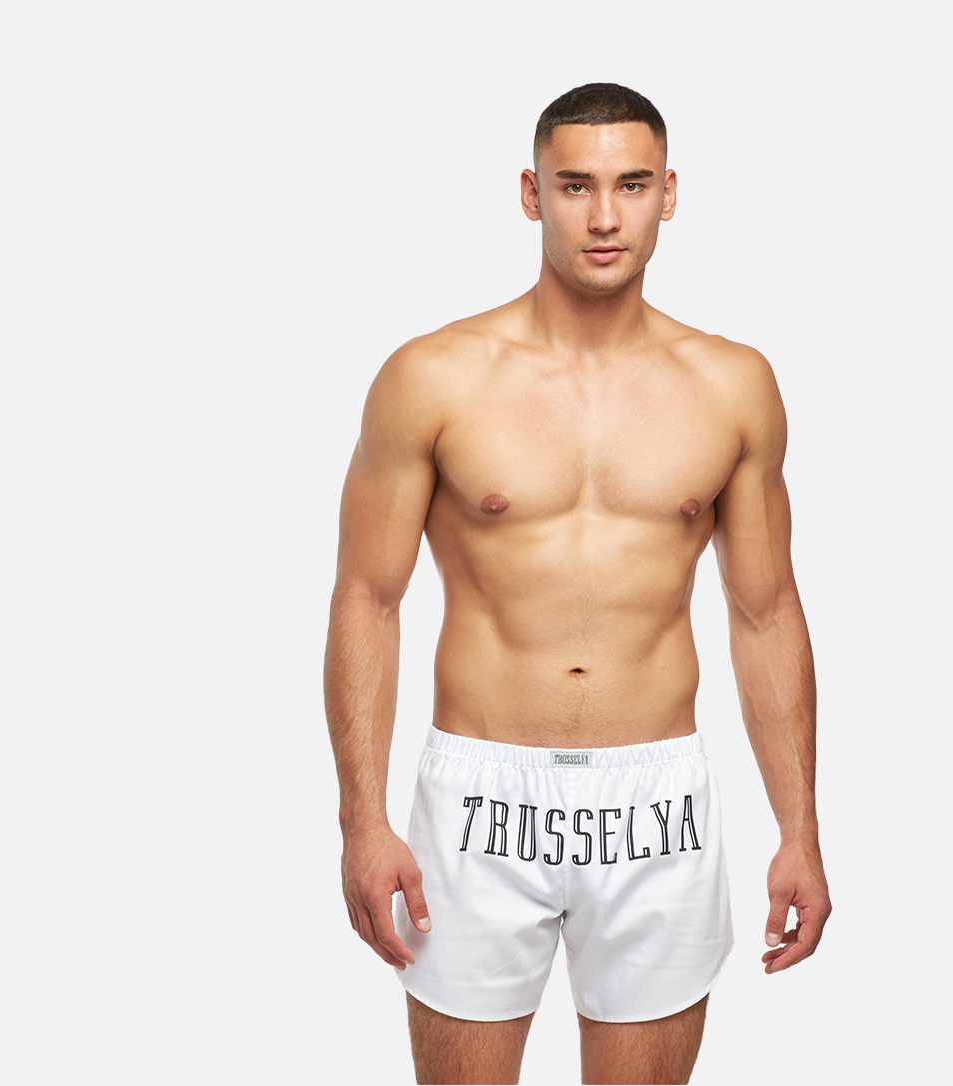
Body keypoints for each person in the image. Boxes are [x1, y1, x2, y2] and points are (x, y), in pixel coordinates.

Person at [326, 83, 829, 1085]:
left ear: (669, 193)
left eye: (631, 185)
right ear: (532, 194)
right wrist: (362, 821)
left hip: (658, 803)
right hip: (478, 798)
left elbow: (765, 610)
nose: (604, 217)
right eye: (575, 186)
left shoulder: (732, 385)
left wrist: (800, 831)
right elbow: (366, 599)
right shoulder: (434, 376)